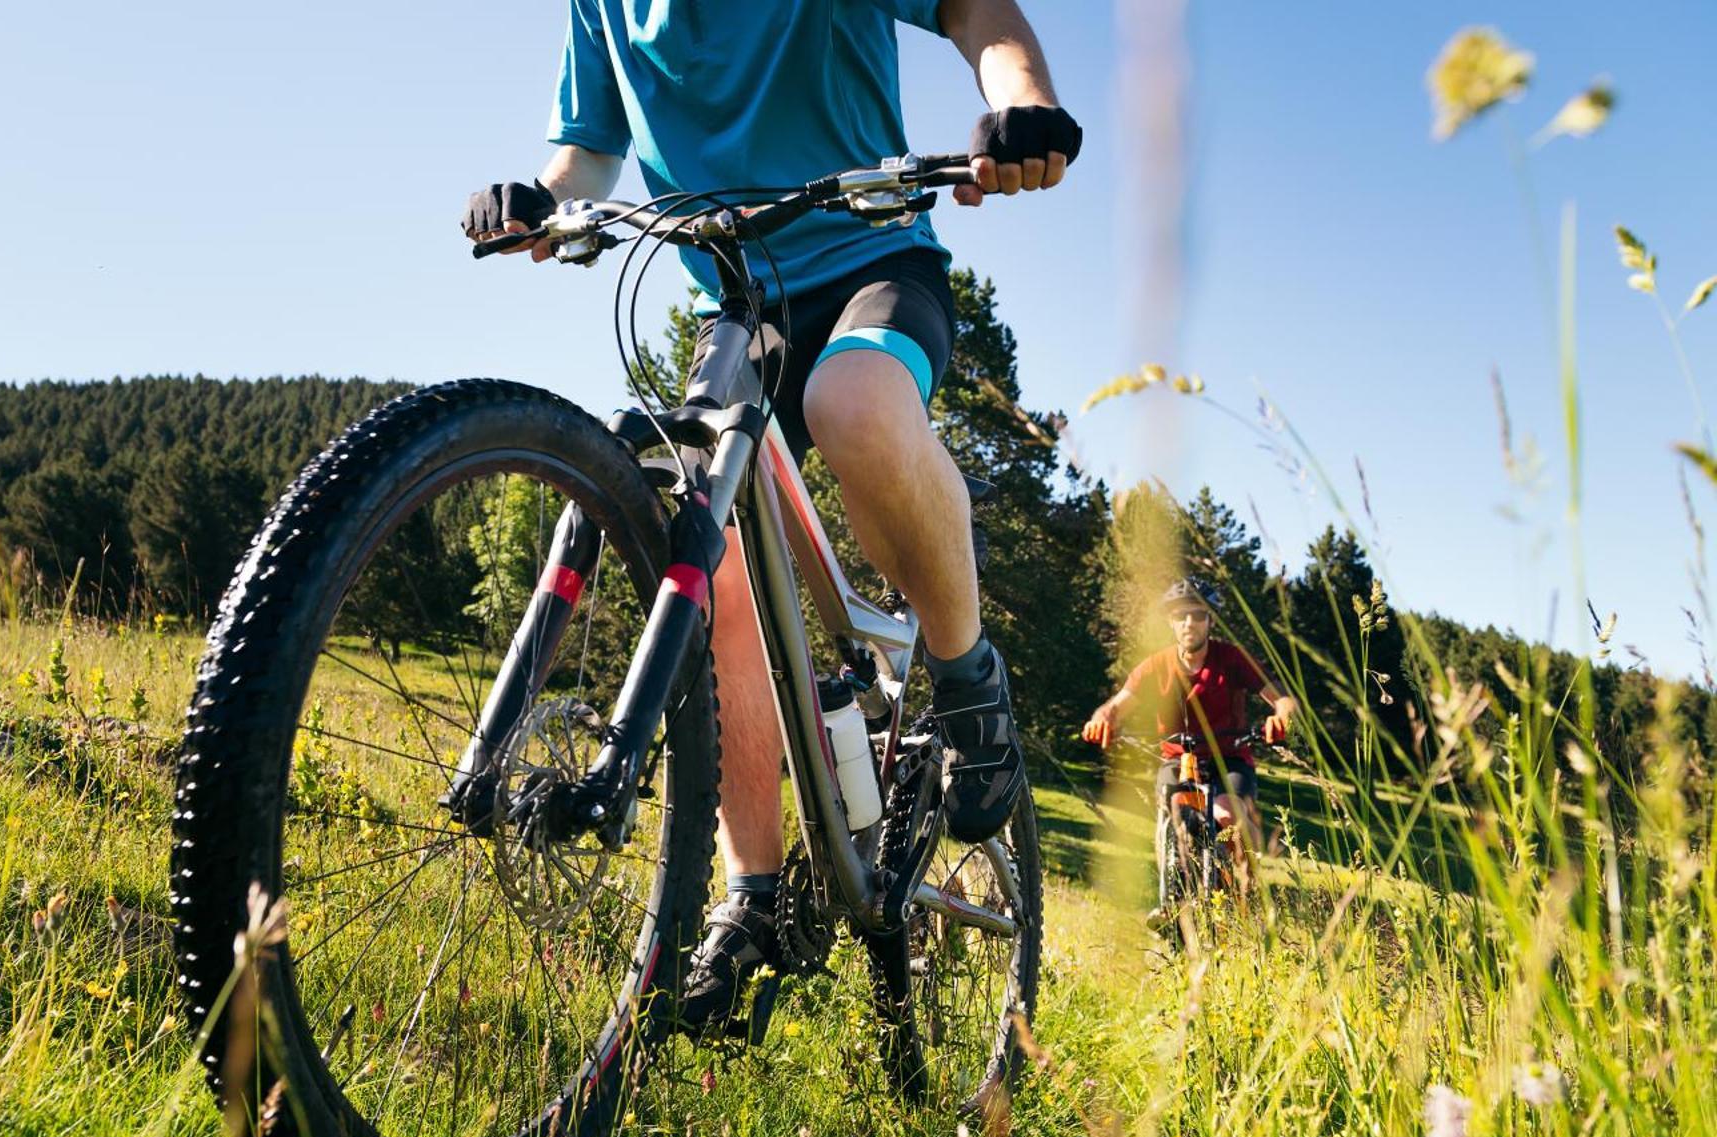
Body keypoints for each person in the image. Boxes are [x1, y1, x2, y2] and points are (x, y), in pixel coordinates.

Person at [462, 1, 1082, 1030]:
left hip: (873, 265)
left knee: (852, 406)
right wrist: (540, 197)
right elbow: (586, 158)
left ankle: (967, 675)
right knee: (714, 564)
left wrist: (1021, 102)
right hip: (738, 302)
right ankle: (749, 896)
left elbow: (975, 11)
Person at [1082, 579, 1298, 870]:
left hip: (1229, 758)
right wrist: (1101, 721)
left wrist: (1282, 717)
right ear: (1171, 622)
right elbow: (1115, 707)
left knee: (1227, 815)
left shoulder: (1232, 659)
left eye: (1198, 615)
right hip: (1178, 759)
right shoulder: (1155, 666)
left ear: (1210, 621)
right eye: (1180, 615)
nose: (1189, 623)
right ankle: (1170, 898)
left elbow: (1283, 699)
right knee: (1170, 818)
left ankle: (1245, 888)